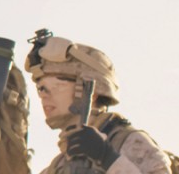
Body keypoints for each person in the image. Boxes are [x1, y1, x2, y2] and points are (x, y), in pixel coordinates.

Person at [25, 32, 173, 174]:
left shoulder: (130, 143)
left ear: (90, 92)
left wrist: (107, 158)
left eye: (56, 86)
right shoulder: (58, 166)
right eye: (41, 88)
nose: (44, 95)